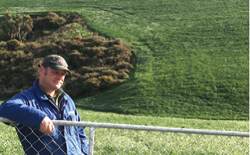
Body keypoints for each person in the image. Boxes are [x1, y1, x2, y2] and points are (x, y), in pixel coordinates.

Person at [0, 54, 88, 155]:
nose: (60, 77)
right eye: (55, 72)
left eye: (63, 73)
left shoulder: (67, 100)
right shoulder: (28, 98)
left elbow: (80, 131)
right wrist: (39, 118)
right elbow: (5, 107)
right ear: (41, 70)